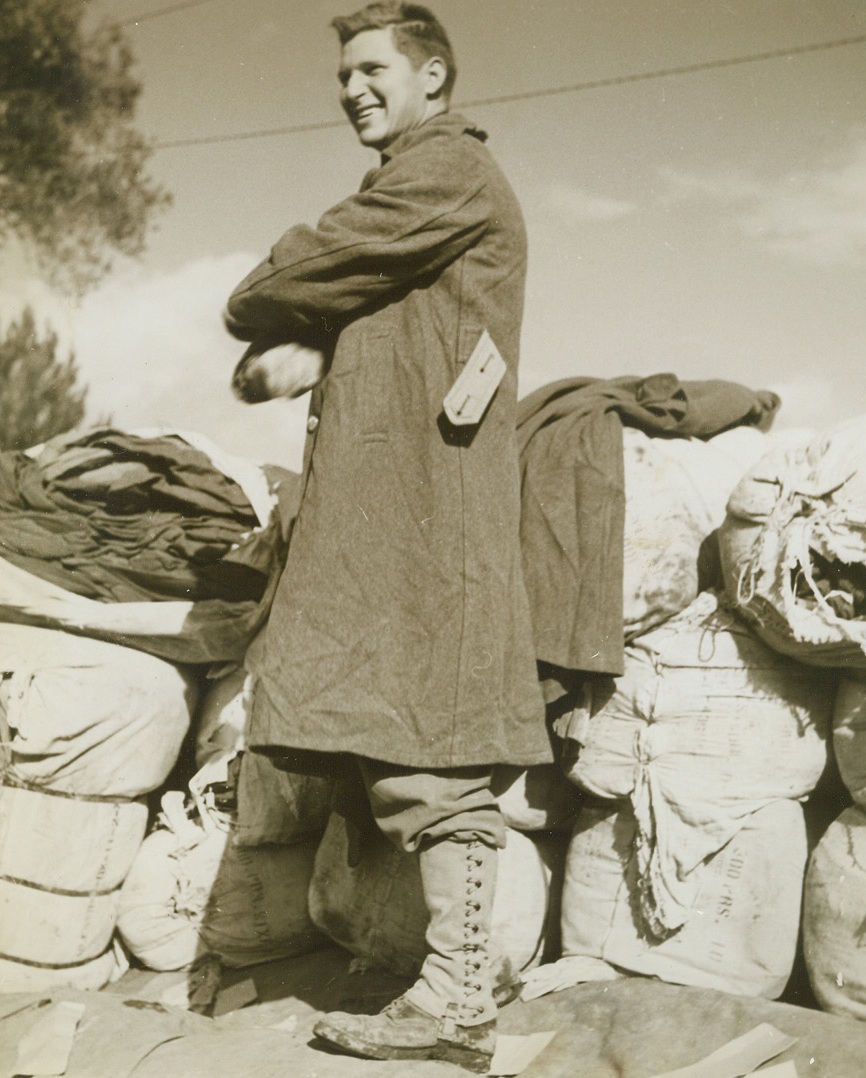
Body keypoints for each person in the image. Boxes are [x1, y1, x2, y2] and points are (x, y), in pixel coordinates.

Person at [223, 3, 550, 1071]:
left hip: (429, 512)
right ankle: (439, 986)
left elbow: (271, 286)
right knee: (400, 737)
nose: (352, 87)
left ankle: (457, 1000)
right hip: (398, 506)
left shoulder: (445, 174)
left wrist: (281, 297)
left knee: (433, 749)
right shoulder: (412, 192)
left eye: (373, 69)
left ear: (435, 79)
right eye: (344, 73)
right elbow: (298, 329)